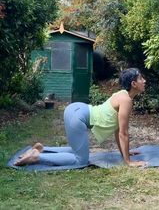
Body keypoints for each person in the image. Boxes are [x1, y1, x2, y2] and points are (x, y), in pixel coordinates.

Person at [14, 68, 147, 167]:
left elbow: (118, 131)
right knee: (80, 160)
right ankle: (37, 157)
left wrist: (125, 154)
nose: (144, 81)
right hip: (78, 117)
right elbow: (124, 133)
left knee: (76, 149)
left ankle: (43, 149)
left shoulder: (121, 95)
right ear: (133, 84)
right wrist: (128, 162)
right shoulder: (126, 100)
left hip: (75, 109)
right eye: (141, 78)